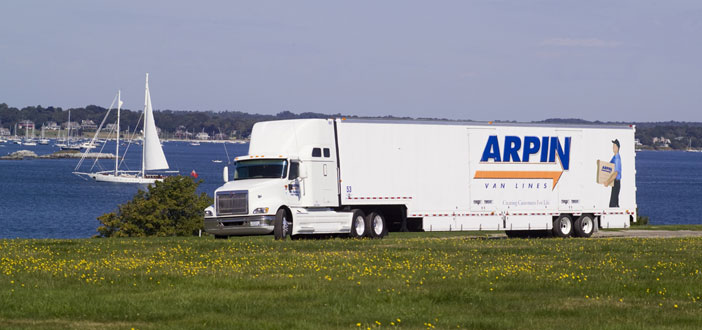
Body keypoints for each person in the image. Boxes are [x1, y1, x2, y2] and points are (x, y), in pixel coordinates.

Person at [605, 139, 622, 207]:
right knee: (613, 203)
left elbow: (616, 173)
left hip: (616, 182)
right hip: (614, 182)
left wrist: (608, 182)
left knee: (613, 203)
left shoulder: (617, 159)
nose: (613, 148)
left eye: (614, 146)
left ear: (617, 148)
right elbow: (609, 166)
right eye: (613, 146)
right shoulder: (614, 157)